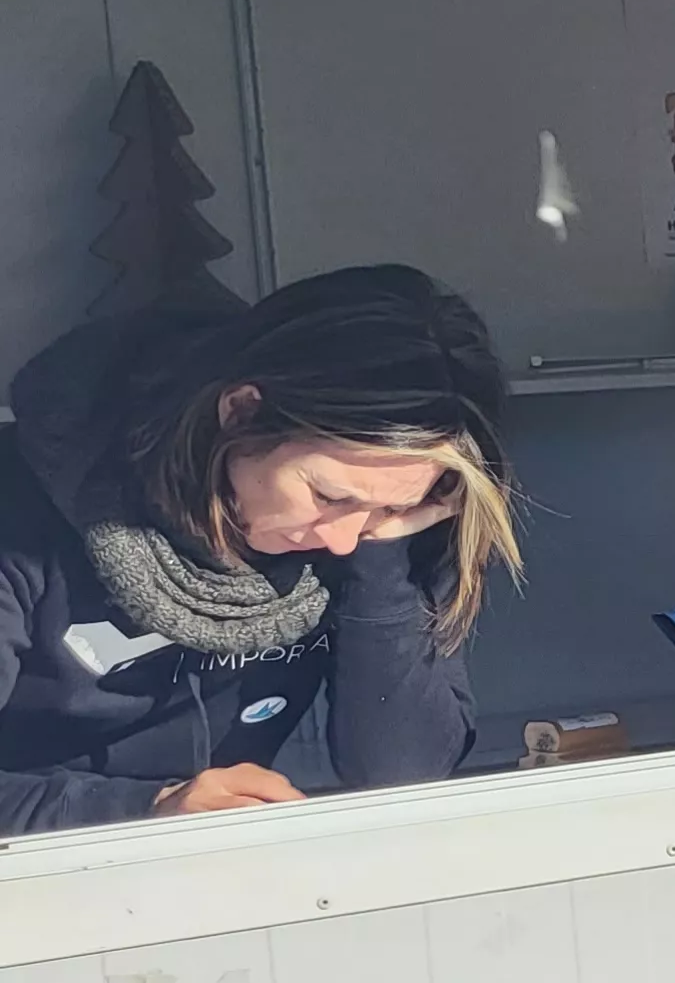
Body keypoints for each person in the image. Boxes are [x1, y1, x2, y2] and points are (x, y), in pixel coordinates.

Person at [0, 265, 519, 831]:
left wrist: (385, 566)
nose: (341, 539)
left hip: (235, 861)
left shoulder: (382, 524)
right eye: (326, 494)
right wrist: (145, 812)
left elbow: (401, 775)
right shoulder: (24, 519)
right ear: (241, 411)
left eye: (390, 508)